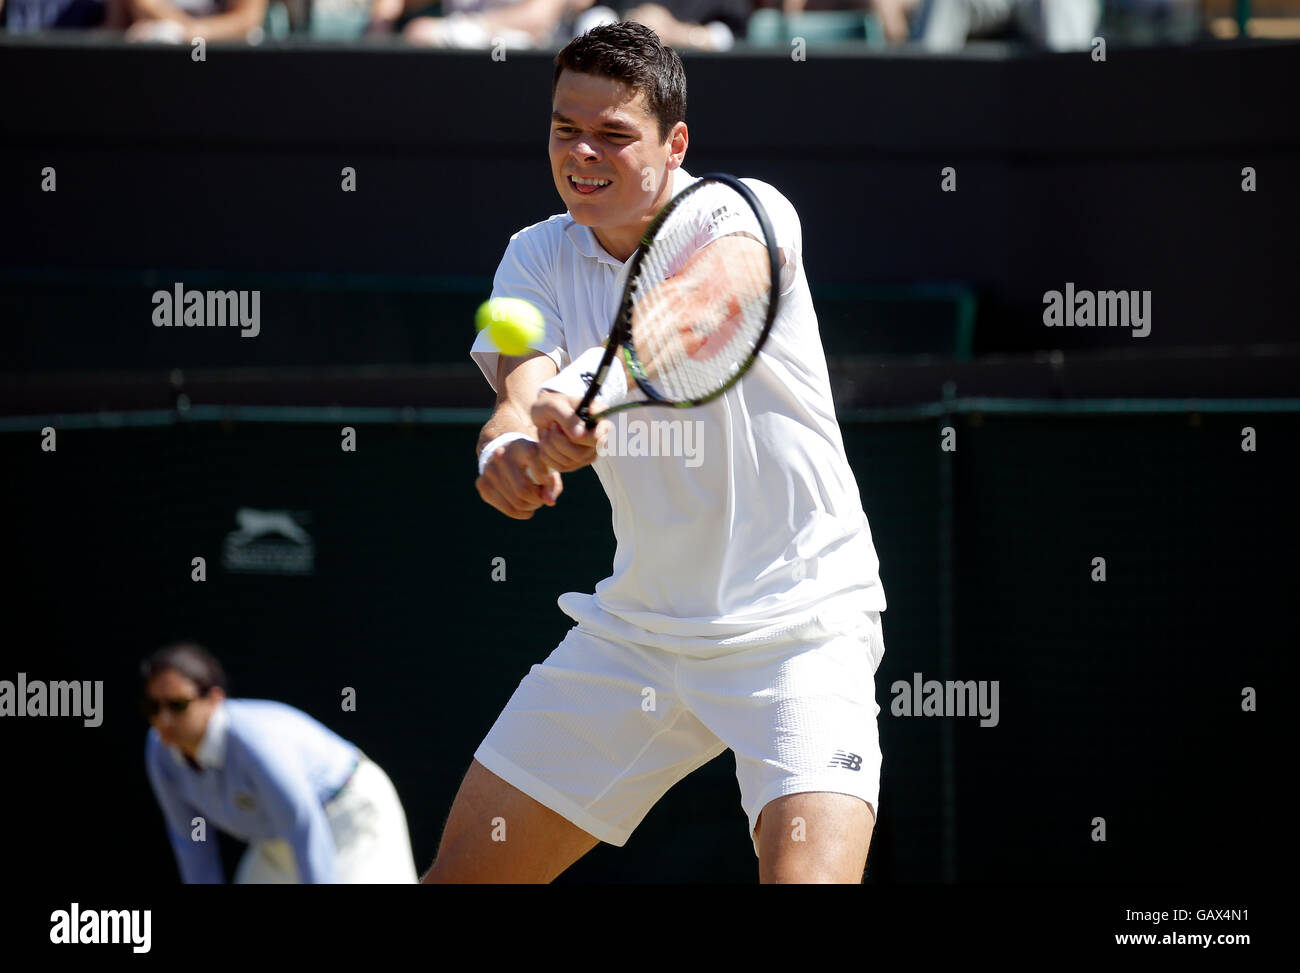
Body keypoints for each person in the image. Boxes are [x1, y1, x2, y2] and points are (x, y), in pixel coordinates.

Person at [428, 21, 888, 884]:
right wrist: (512, 449)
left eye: (613, 134)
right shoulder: (529, 254)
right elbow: (516, 396)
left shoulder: (743, 210)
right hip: (636, 635)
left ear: (675, 145)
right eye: (566, 129)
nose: (582, 154)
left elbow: (703, 307)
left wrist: (592, 386)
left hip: (801, 628)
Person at [142, 642, 418, 883]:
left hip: (350, 817)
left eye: (177, 705)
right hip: (279, 839)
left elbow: (304, 827)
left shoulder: (254, 743)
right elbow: (192, 841)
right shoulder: (159, 749)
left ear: (214, 698)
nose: (163, 719)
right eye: (153, 707)